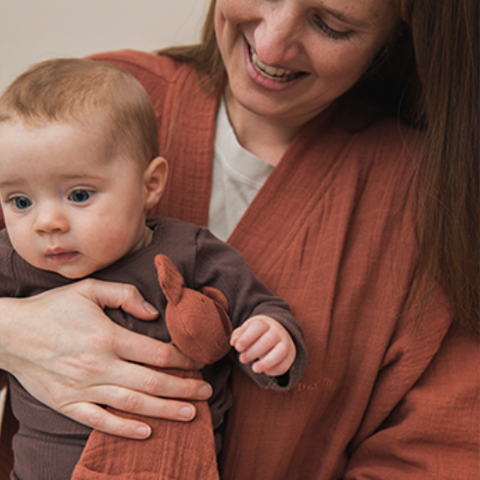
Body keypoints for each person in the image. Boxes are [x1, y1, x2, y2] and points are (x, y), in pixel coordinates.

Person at [0, 0, 478, 479]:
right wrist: (11, 331)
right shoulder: (82, 110)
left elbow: (440, 451)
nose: (270, 44)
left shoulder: (428, 194)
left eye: (331, 26)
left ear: (395, 34)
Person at [0, 57, 307, 480]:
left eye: (80, 194)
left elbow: (259, 309)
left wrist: (272, 337)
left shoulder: (189, 251)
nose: (45, 222)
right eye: (20, 201)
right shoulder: (15, 260)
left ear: (151, 185)